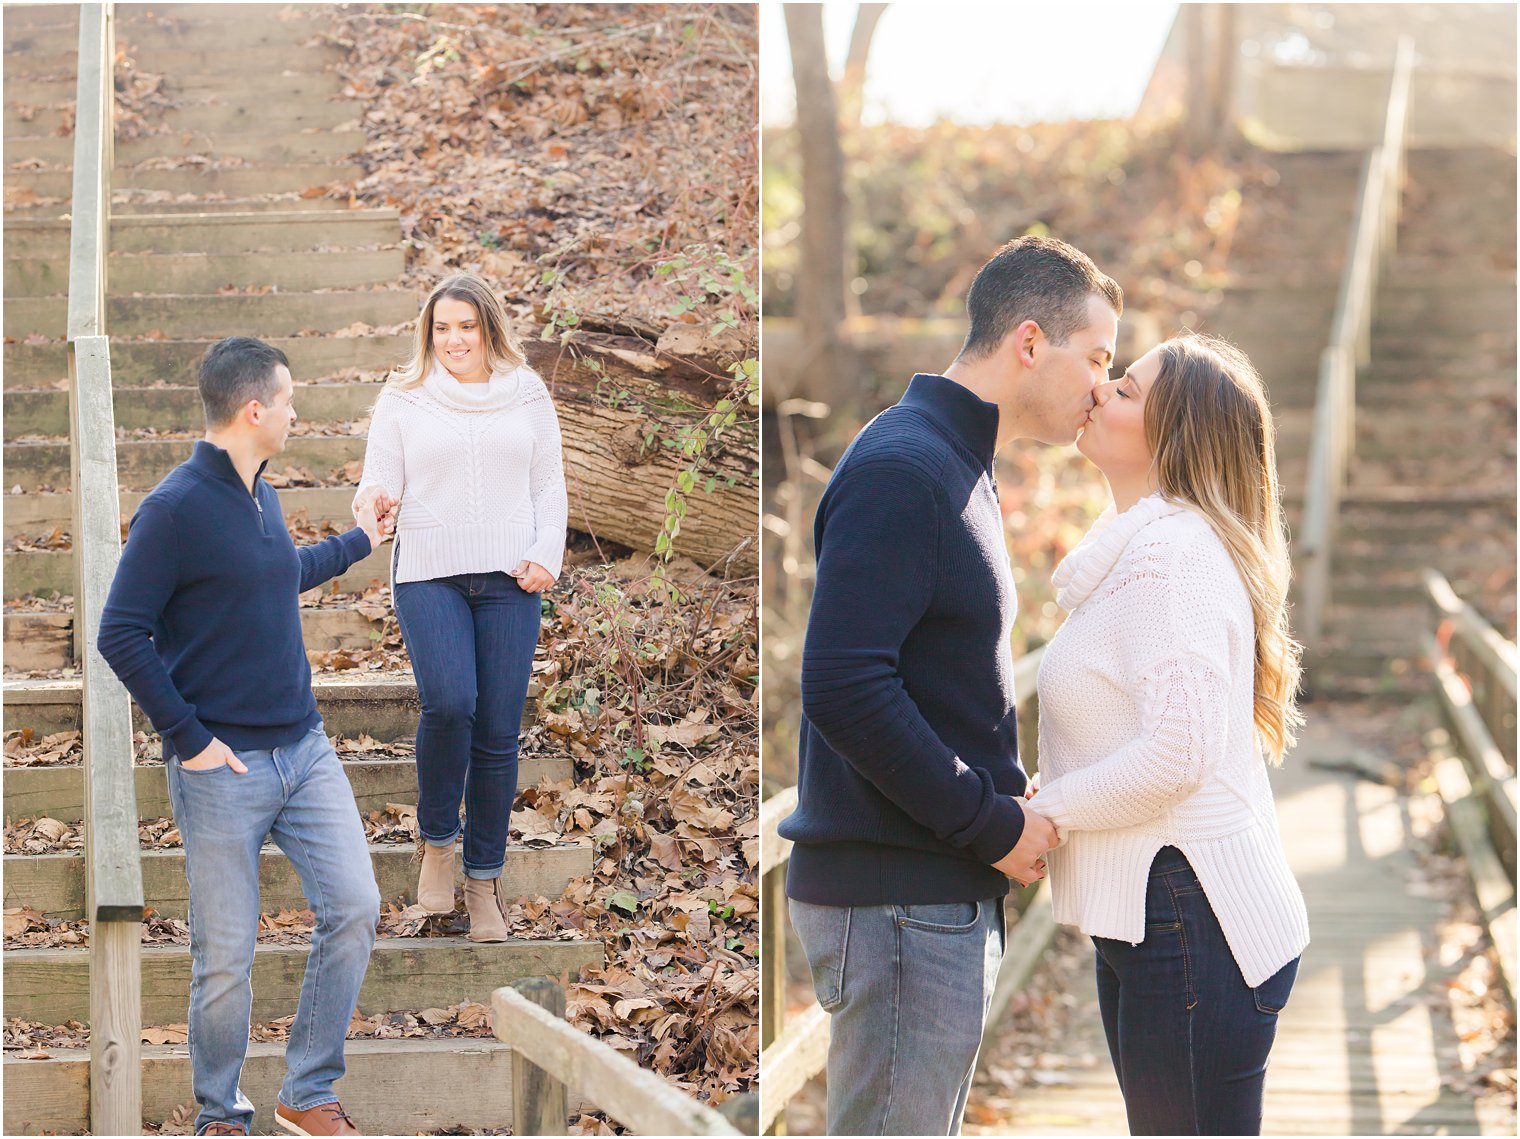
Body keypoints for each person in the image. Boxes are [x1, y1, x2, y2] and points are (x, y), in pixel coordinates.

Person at [779, 235, 1122, 1135]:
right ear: (1030, 342)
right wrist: (989, 820)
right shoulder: (907, 468)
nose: (1100, 384)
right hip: (897, 901)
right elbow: (845, 684)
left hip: (923, 896)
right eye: (1097, 357)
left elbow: (932, 680)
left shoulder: (952, 464)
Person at [98, 337, 389, 1137]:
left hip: (304, 750)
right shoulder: (176, 507)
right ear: (254, 409)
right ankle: (220, 1110)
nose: (297, 412)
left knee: (357, 904)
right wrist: (187, 737)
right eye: (289, 399)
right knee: (224, 959)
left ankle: (307, 1088)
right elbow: (120, 632)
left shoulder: (259, 491)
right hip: (221, 766)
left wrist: (360, 539)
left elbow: (275, 574)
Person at [1031, 333, 1310, 1135]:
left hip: (1194, 919)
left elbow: (1175, 752)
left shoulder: (1170, 559)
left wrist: (1051, 811)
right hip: (1159, 917)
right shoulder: (1142, 552)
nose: (1100, 392)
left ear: (1173, 434)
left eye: (1125, 389)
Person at [352, 271, 567, 942]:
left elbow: (548, 482)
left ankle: (483, 882)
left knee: (499, 728)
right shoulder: (404, 397)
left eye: (466, 326)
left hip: (511, 578)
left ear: (489, 329)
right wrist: (373, 505)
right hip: (429, 575)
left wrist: (545, 552)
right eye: (442, 327)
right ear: (428, 332)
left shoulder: (526, 392)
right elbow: (375, 482)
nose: (454, 339)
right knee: (450, 702)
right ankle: (438, 839)